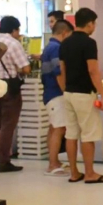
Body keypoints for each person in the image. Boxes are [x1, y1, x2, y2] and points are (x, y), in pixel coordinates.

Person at [59, 8, 103, 184]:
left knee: (71, 134)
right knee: (88, 134)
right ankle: (90, 173)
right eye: (94, 23)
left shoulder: (65, 43)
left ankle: (74, 172)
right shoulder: (89, 43)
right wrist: (102, 95)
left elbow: (62, 70)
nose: (94, 27)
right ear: (90, 23)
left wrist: (66, 89)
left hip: (69, 92)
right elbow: (93, 70)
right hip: (84, 94)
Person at [0, 16, 31, 173]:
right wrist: (16, 70)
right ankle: (4, 161)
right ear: (14, 29)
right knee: (8, 125)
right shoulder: (13, 44)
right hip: (10, 88)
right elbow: (26, 68)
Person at [41, 20, 74, 176]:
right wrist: (65, 91)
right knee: (59, 128)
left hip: (50, 93)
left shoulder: (49, 47)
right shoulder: (56, 48)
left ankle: (54, 161)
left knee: (55, 127)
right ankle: (53, 164)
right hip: (56, 93)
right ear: (64, 33)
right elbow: (59, 72)